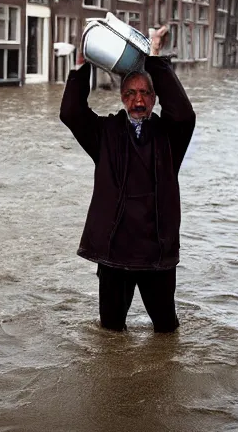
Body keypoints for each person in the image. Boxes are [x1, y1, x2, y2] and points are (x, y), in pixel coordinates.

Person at [59, 26, 196, 333]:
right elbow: (71, 112)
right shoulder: (104, 134)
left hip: (156, 255)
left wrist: (155, 58)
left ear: (154, 98)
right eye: (131, 93)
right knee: (109, 335)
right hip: (114, 254)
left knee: (166, 332)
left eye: (145, 93)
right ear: (121, 98)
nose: (138, 101)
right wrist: (84, 61)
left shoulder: (170, 137)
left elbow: (185, 114)